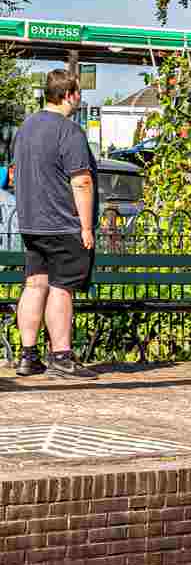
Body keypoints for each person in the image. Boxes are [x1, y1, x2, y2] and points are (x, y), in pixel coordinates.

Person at [12, 70, 98, 379]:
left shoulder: (26, 127)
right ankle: (61, 355)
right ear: (70, 95)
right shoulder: (69, 131)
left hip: (32, 223)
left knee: (35, 284)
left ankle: (27, 355)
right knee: (62, 289)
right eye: (77, 92)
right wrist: (86, 227)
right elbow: (82, 181)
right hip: (63, 223)